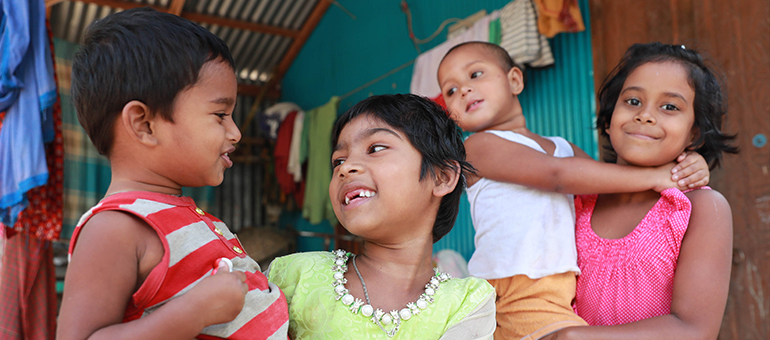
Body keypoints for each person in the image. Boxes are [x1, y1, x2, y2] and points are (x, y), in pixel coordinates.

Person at [436, 41, 711, 340]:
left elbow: (603, 183)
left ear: (515, 80)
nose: (463, 90)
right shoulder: (476, 147)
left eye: (476, 74)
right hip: (515, 289)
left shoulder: (561, 148)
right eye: (451, 90)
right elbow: (557, 176)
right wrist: (659, 175)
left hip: (555, 291)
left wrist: (685, 163)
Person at [56, 8, 289, 340]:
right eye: (220, 114)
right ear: (144, 124)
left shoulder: (181, 213)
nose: (235, 132)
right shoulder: (114, 228)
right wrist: (195, 312)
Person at [542, 42, 736, 340]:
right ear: (608, 120)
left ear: (694, 134)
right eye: (632, 101)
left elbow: (695, 329)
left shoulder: (699, 208)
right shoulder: (577, 197)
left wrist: (577, 337)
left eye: (670, 107)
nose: (645, 115)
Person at [266, 94, 497, 339]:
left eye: (375, 148)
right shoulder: (293, 277)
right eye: (338, 161)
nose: (346, 167)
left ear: (441, 177)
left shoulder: (468, 303)